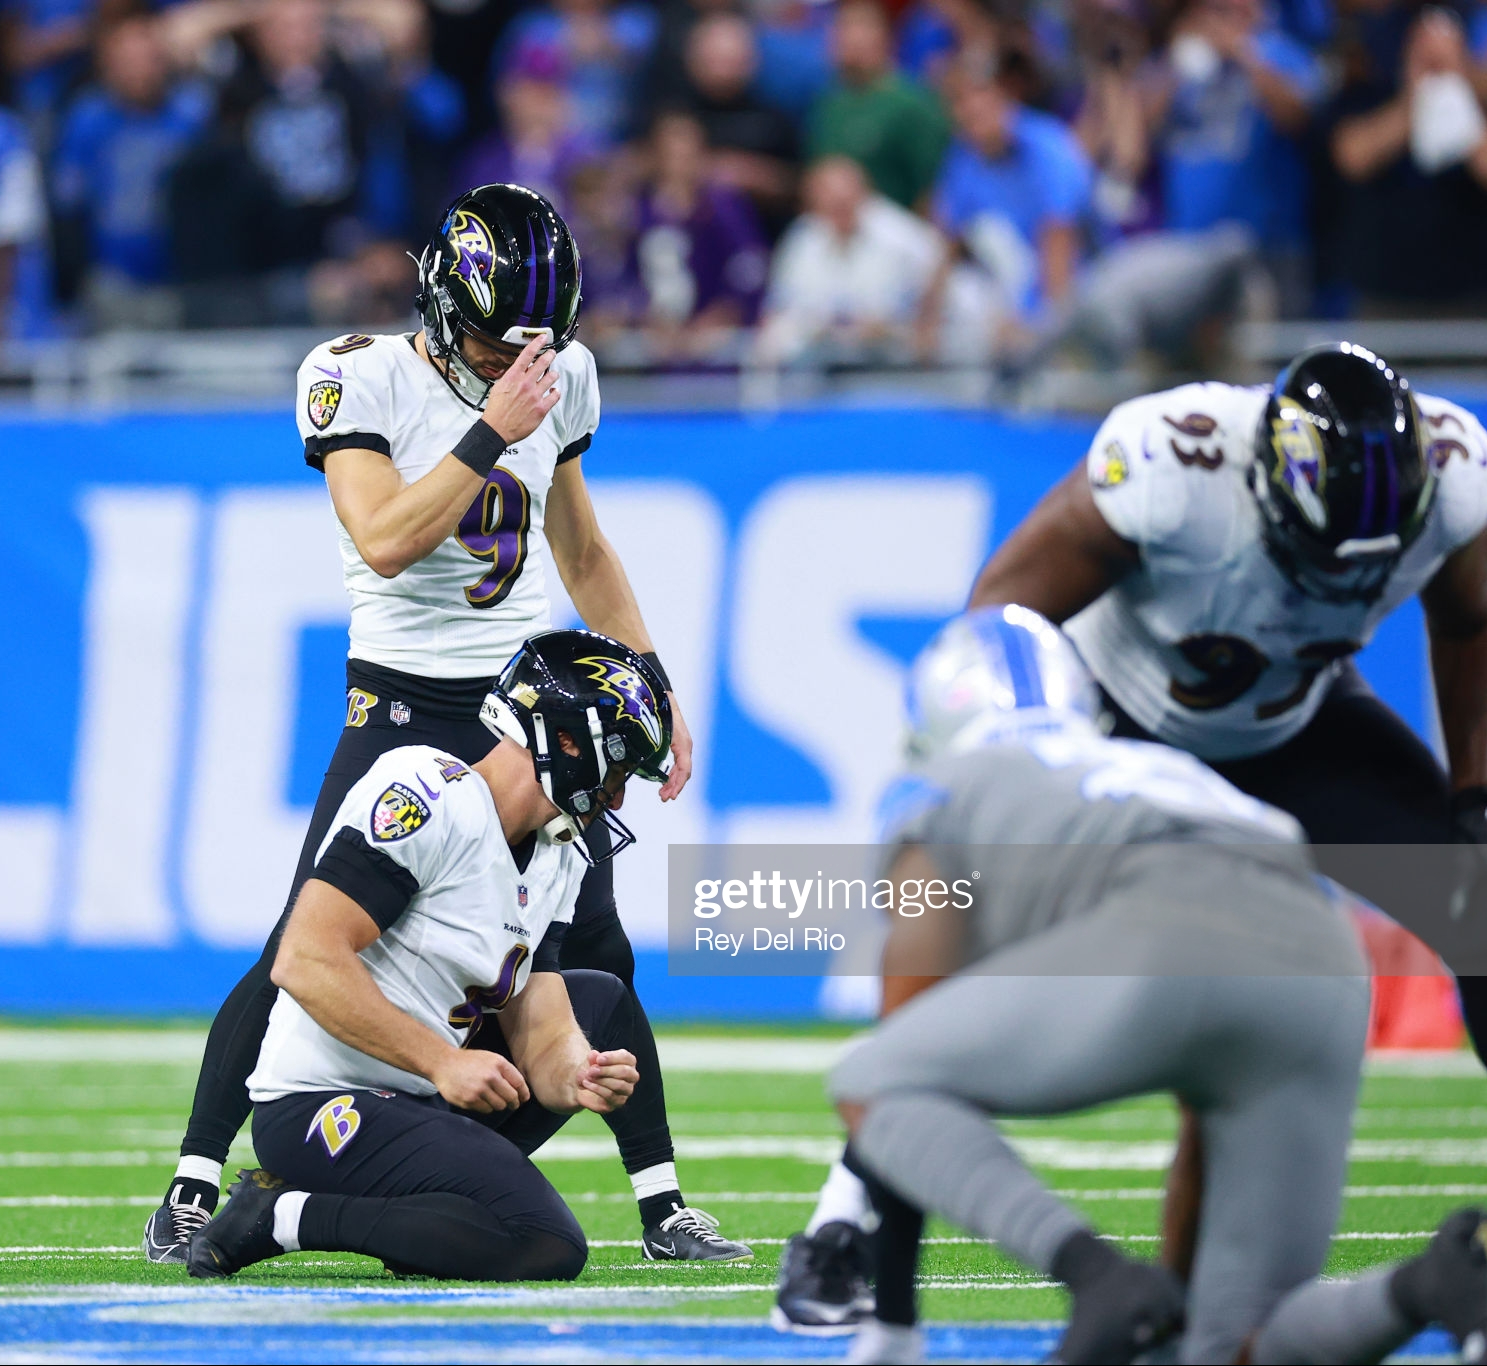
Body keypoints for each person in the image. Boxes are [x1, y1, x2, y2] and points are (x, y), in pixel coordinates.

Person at [144, 182, 750, 1267]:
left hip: (528, 706)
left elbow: (581, 550)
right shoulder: (357, 372)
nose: (513, 360)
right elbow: (383, 539)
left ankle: (661, 1203)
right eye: (491, 338)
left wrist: (651, 686)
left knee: (590, 950)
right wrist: (487, 432)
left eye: (533, 343)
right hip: (403, 699)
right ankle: (196, 1183)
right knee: (307, 937)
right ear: (437, 302)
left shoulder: (557, 374)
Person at [829, 605, 1487, 1365]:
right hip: (1324, 953)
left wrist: (893, 1324)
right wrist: (1172, 1304)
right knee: (1233, 1341)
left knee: (871, 1079)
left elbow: (903, 1041)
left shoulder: (943, 785)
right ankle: (1433, 1284)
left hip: (1165, 922)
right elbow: (1206, 1104)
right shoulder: (1166, 770)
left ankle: (1095, 1274)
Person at [966, 341, 1487, 1059]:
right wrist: (1026, 773)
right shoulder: (1172, 469)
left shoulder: (1459, 477)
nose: (1343, 587)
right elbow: (998, 620)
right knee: (988, 931)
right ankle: (906, 1116)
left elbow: (1469, 623)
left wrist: (1475, 796)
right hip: (1121, 723)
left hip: (1294, 725)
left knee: (1474, 898)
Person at [187, 631, 662, 1282]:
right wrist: (442, 1060)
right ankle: (283, 1216)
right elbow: (304, 959)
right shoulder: (427, 794)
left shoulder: (557, 856)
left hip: (417, 1096)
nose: (617, 796)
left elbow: (544, 1024)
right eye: (618, 769)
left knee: (600, 996)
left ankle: (413, 1215)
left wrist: (579, 1073)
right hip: (321, 1101)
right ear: (569, 741)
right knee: (545, 1240)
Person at [51, 15, 212, 330]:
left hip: (181, 276)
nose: (139, 71)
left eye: (148, 59)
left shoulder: (192, 115)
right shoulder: (87, 120)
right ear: (107, 67)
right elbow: (69, 204)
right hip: (111, 278)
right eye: (127, 61)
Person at [806, 0, 950, 211]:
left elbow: (936, 187)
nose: (843, 36)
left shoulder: (910, 104)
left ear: (883, 36)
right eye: (840, 26)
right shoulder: (829, 105)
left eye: (856, 26)